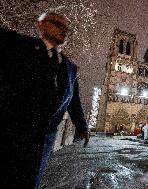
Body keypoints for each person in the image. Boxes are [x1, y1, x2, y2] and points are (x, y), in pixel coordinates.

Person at [1, 12, 89, 189]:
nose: (62, 30)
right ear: (40, 24)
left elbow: (73, 100)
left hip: (46, 137)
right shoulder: (18, 45)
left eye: (65, 27)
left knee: (31, 180)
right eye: (57, 24)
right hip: (13, 130)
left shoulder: (70, 68)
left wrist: (82, 126)